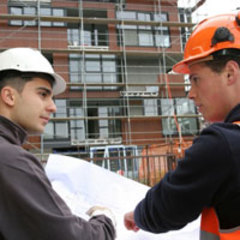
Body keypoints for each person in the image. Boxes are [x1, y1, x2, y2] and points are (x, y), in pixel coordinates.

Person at [124, 12, 240, 239]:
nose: (190, 94)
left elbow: (167, 207)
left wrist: (138, 214)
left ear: (229, 73)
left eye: (195, 79)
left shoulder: (222, 144)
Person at [0, 47, 116, 240]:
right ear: (9, 96)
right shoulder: (11, 161)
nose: (53, 107)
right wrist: (104, 219)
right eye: (43, 94)